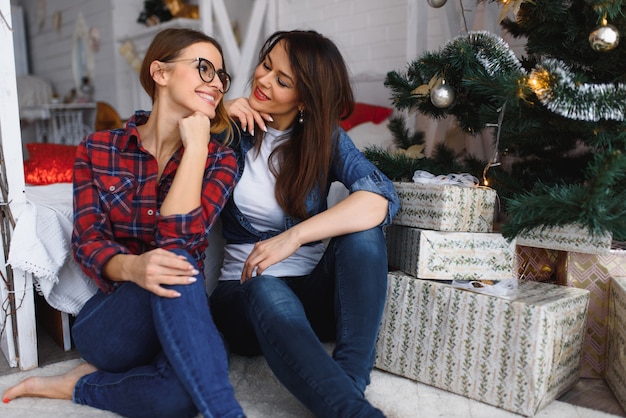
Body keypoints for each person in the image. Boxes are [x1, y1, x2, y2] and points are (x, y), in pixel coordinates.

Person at [3, 28, 245, 418]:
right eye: (205, 69)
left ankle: (78, 385)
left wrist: (197, 147)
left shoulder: (220, 159)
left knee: (178, 397)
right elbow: (88, 243)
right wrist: (135, 267)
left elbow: (181, 237)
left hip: (186, 307)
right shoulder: (98, 148)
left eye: (221, 76)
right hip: (115, 322)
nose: (217, 83)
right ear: (160, 73)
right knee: (175, 268)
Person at [211, 30, 399, 418]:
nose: (263, 81)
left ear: (305, 99)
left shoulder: (323, 138)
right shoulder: (228, 129)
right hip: (245, 297)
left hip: (312, 296)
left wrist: (293, 237)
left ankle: (348, 382)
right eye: (266, 66)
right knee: (265, 287)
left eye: (283, 81)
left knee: (363, 231)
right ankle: (352, 411)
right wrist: (214, 112)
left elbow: (378, 197)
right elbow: (161, 141)